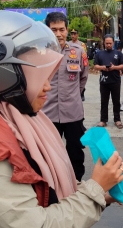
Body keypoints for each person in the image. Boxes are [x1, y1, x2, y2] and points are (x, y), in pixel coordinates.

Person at [0, 10, 123, 228]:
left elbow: (49, 189)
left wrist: (104, 192)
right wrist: (94, 188)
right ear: (3, 76)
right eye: (38, 76)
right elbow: (38, 224)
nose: (48, 85)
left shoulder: (22, 121)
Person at [42, 12, 88, 181]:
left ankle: (77, 181)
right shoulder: (39, 52)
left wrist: (72, 94)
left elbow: (83, 78)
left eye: (62, 29)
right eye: (53, 29)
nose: (58, 34)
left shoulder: (78, 51)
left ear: (67, 30)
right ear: (47, 30)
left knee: (76, 149)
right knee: (48, 150)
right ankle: (52, 182)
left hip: (73, 112)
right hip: (48, 111)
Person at [93, 34, 123, 129]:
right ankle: (103, 120)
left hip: (115, 81)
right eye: (107, 43)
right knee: (104, 101)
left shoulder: (118, 53)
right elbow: (95, 66)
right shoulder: (99, 54)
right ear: (104, 43)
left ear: (113, 43)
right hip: (104, 82)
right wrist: (103, 67)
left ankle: (117, 120)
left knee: (116, 101)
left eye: (110, 43)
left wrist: (114, 67)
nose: (108, 45)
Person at [70, 29, 88, 101]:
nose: (73, 36)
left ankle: (81, 92)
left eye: (75, 34)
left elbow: (84, 56)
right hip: (71, 64)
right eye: (72, 34)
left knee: (81, 79)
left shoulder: (81, 44)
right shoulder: (68, 44)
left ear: (78, 35)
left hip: (79, 64)